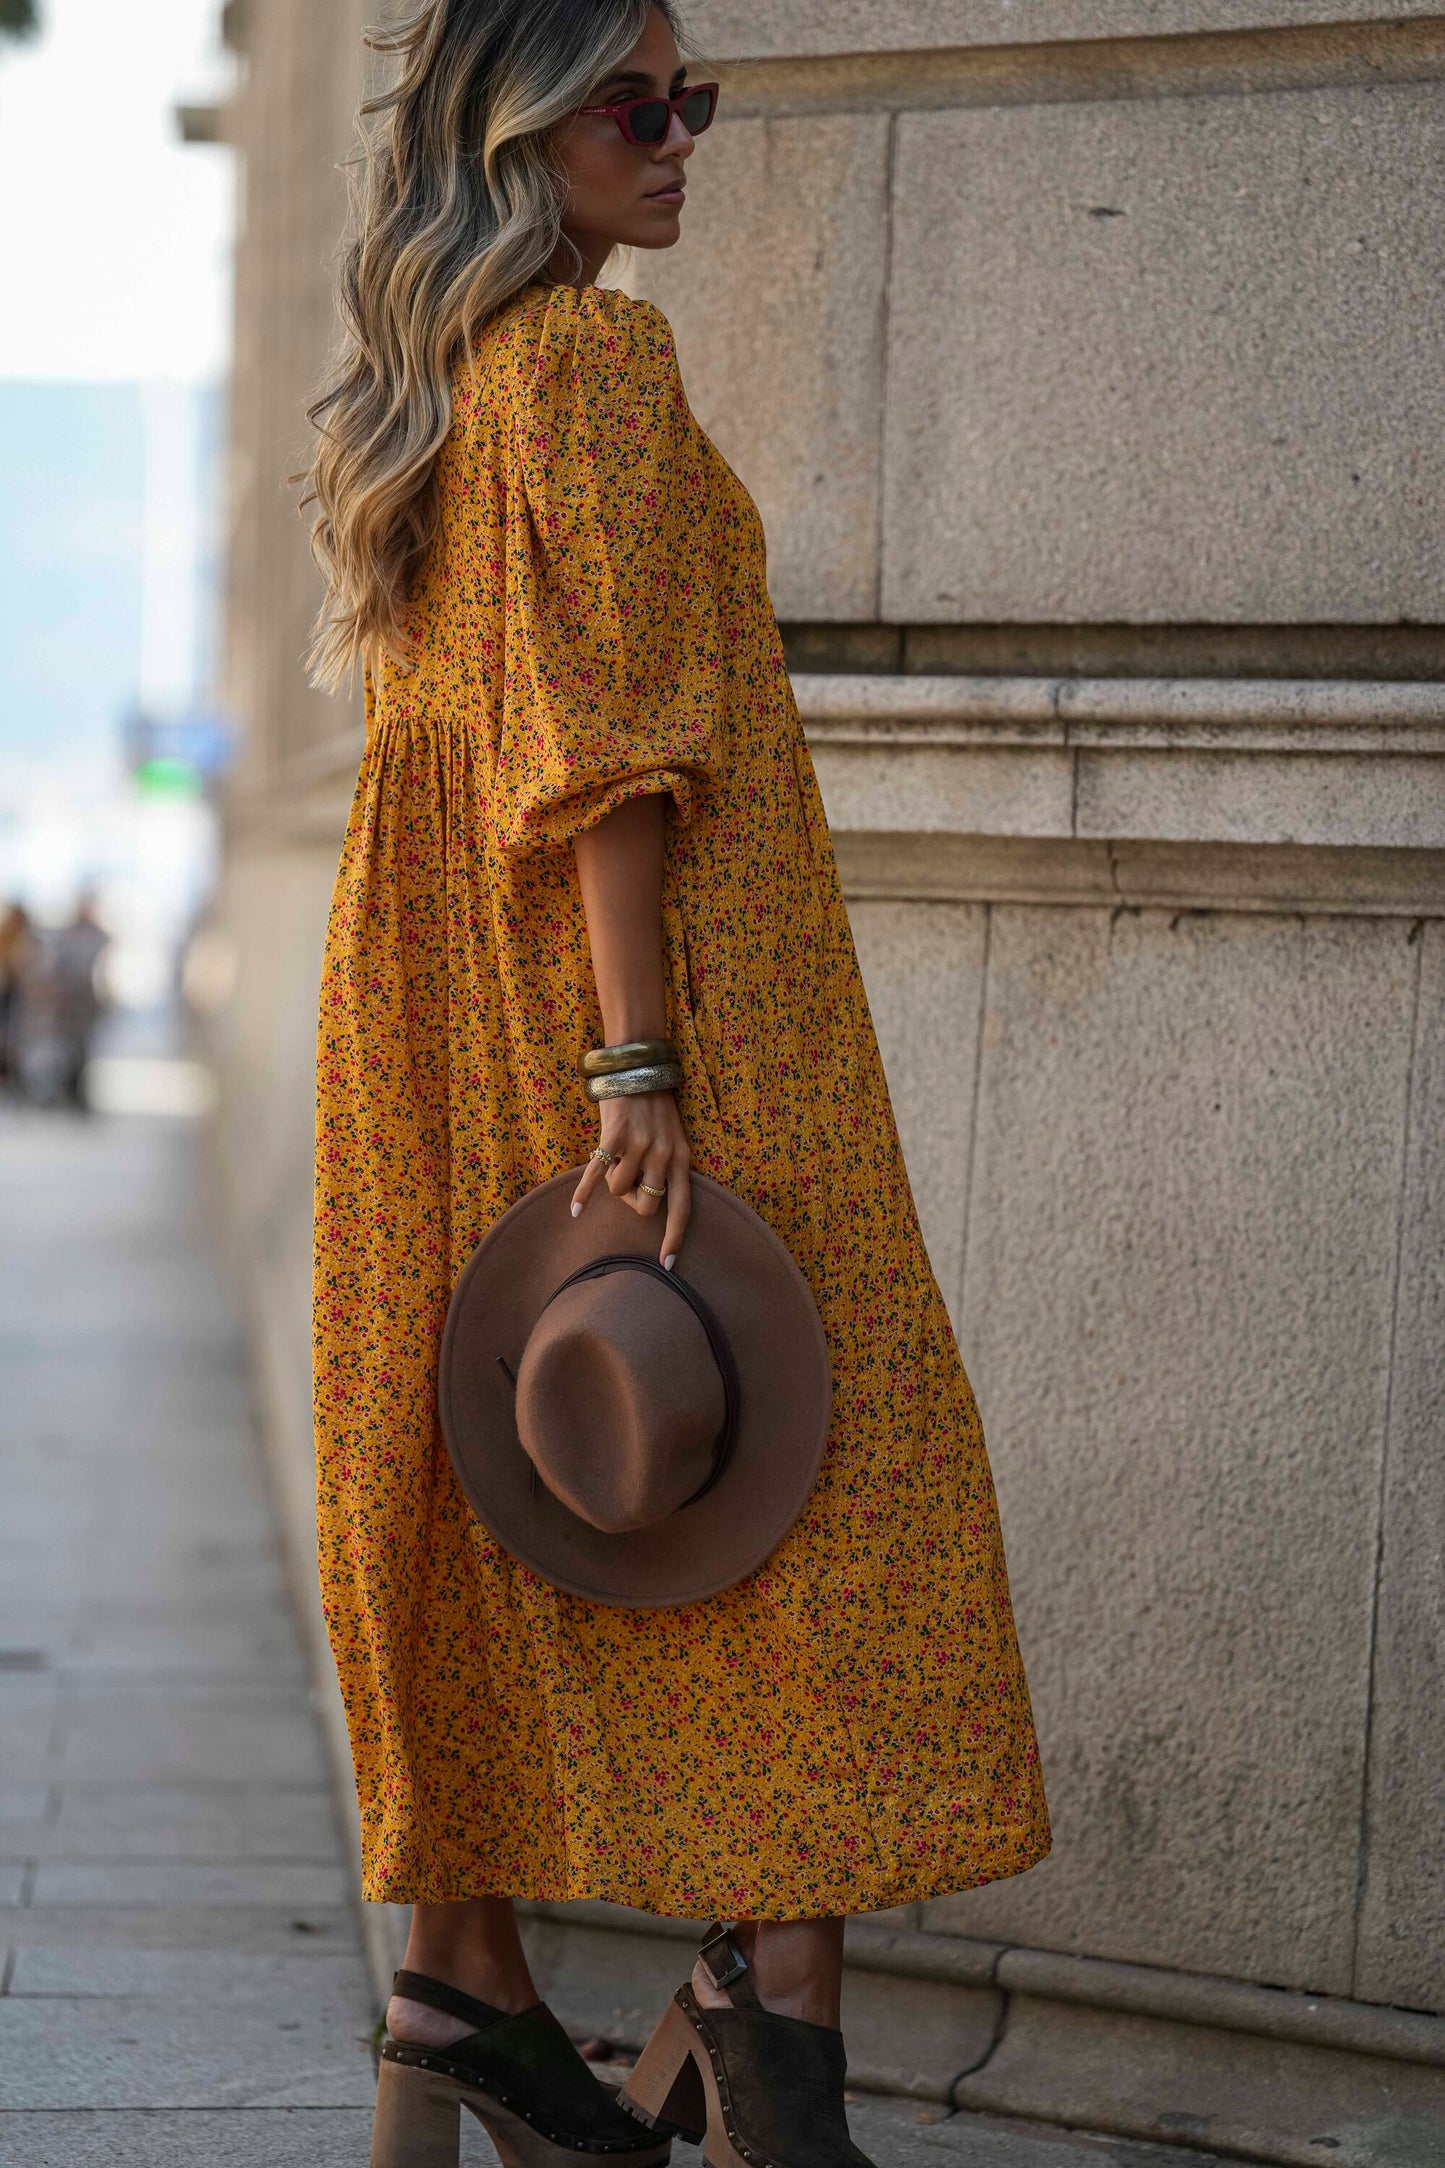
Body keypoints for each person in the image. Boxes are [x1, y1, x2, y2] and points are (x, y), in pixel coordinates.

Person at [302, 6, 1049, 2164]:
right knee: (823, 1489)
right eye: (637, 103)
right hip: (654, 1007)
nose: (681, 138)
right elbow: (611, 760)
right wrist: (644, 1067)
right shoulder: (594, 372)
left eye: (691, 96)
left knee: (507, 1496)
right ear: (515, 131)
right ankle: (768, 2018)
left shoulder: (437, 394)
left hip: (432, 1022)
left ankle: (472, 1987)